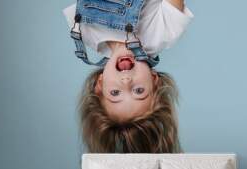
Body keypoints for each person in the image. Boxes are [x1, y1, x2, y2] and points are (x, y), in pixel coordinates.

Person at [63, 0, 193, 152]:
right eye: (139, 91)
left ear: (100, 84)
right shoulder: (164, 33)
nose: (126, 81)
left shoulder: (84, 29)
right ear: (154, 81)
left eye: (115, 93)